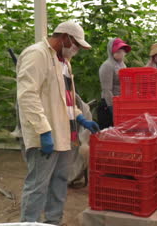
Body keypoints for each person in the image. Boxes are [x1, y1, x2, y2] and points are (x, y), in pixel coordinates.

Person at [17, 20, 100, 225]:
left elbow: (67, 96)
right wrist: (43, 130)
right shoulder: (37, 55)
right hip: (45, 134)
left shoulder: (63, 61)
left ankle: (53, 221)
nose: (77, 49)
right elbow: (27, 95)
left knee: (60, 181)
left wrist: (80, 117)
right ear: (65, 38)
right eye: (77, 45)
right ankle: (30, 223)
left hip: (65, 133)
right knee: (38, 185)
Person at [98, 38, 131, 129]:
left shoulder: (122, 65)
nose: (121, 53)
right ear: (111, 51)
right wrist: (113, 108)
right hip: (109, 105)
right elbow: (107, 89)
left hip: (121, 103)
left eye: (122, 51)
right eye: (118, 51)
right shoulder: (107, 66)